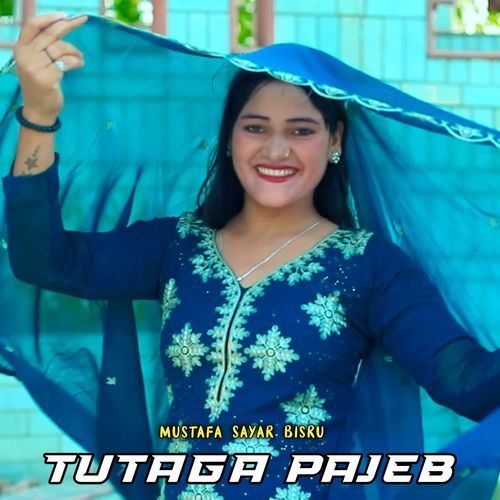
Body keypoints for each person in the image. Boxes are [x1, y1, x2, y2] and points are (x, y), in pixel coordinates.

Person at [2, 12, 500, 500]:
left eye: (301, 130)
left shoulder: (369, 268)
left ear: (335, 141)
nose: (276, 150)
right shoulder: (176, 246)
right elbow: (44, 259)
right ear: (230, 139)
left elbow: (464, 380)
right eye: (256, 128)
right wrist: (39, 115)